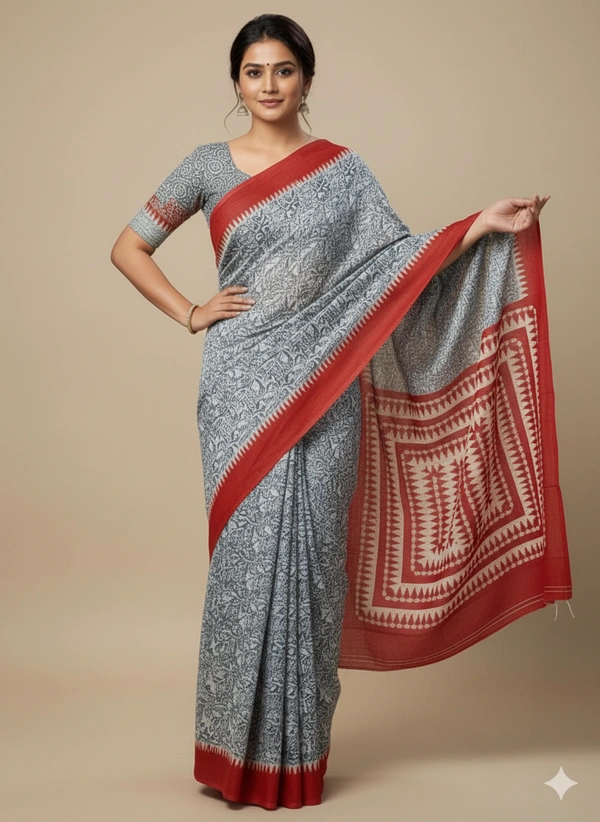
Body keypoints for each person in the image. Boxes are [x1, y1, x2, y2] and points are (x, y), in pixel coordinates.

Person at [110, 12, 571, 812]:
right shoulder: (206, 166)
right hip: (241, 386)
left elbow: (397, 267)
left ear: (307, 79)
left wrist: (480, 225)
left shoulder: (344, 170)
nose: (269, 85)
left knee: (318, 561)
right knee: (246, 565)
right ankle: (232, 758)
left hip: (328, 384)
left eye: (284, 70)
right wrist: (191, 312)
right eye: (254, 72)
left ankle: (296, 763)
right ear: (236, 83)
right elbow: (128, 246)